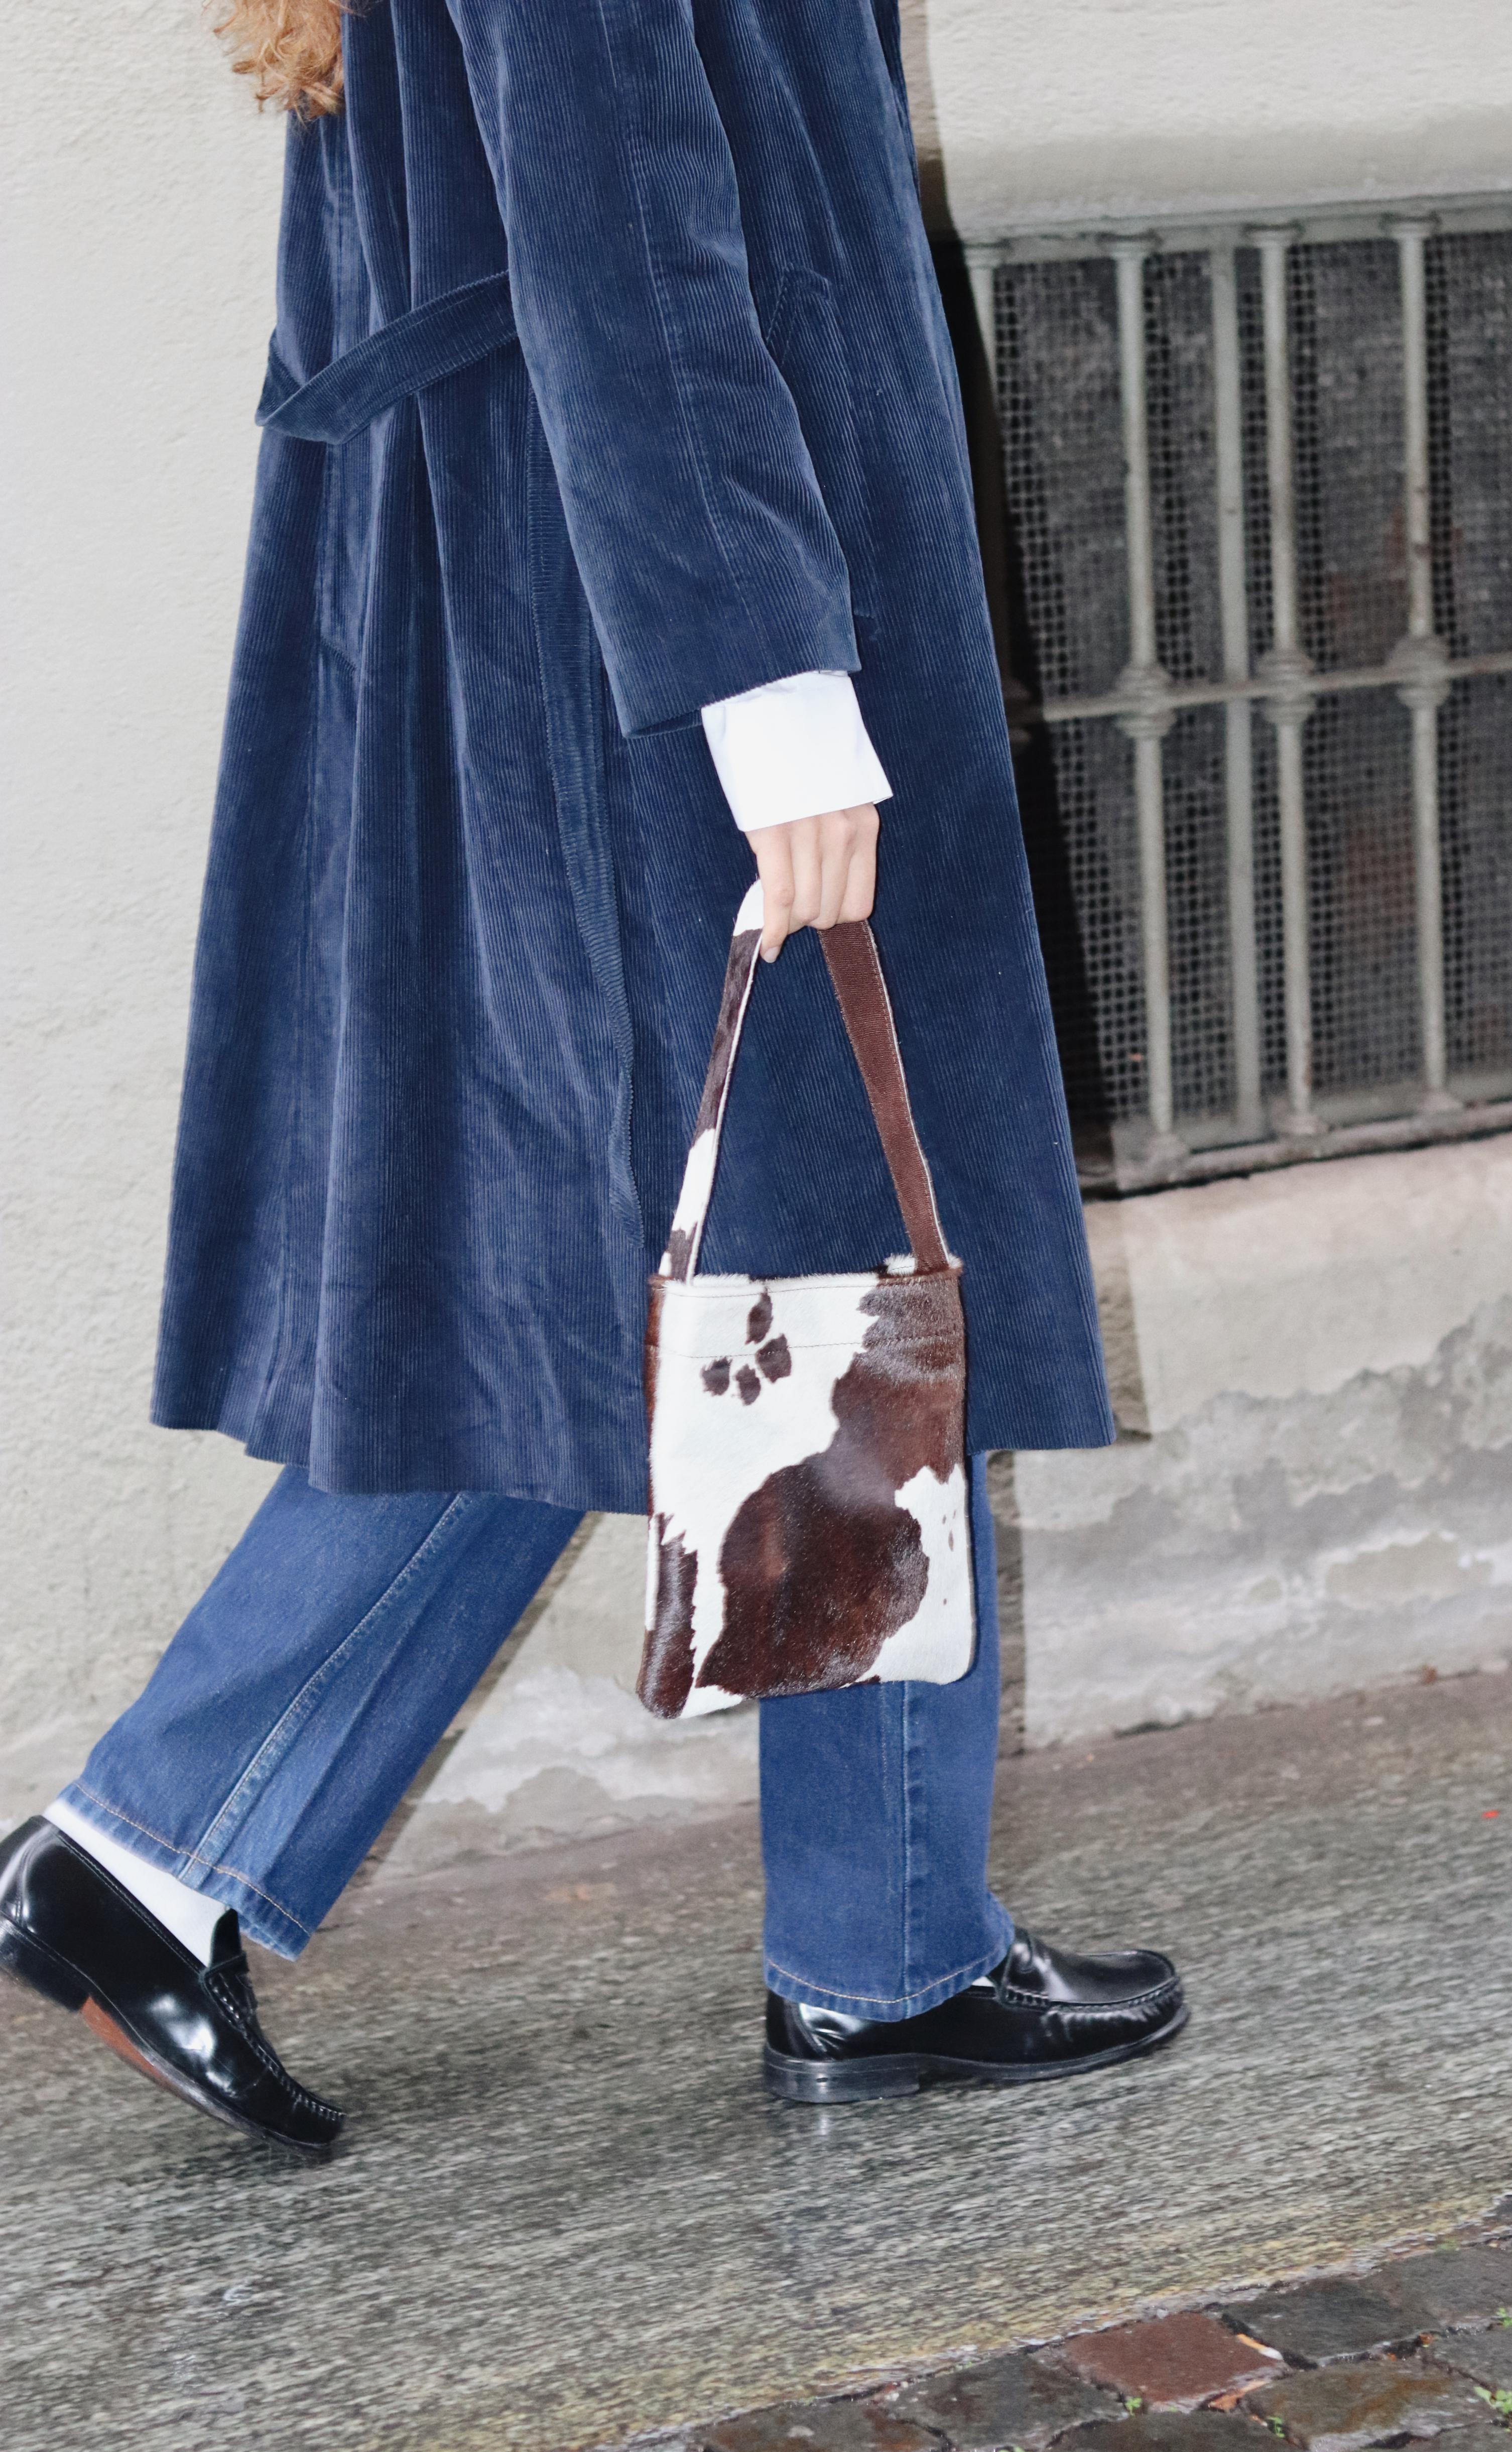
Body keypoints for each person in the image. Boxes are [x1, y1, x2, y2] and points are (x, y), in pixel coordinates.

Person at [0, 0, 1186, 2155]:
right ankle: (859, 1948)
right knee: (804, 1270)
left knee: (728, 1280)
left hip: (584, 587)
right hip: (664, 624)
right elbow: (623, 214)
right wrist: (766, 676)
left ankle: (177, 1852)